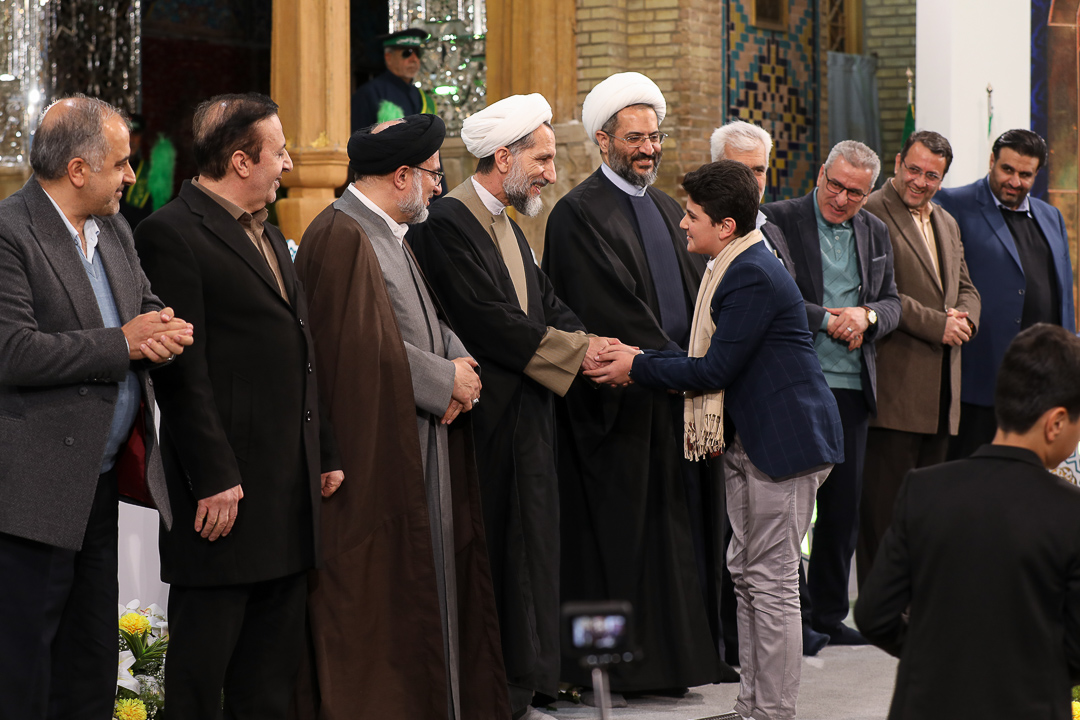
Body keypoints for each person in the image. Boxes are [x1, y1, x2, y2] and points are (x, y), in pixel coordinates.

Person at [590, 160, 843, 720]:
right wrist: (641, 358)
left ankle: (772, 712)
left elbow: (712, 370)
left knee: (771, 582)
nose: (683, 223)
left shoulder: (750, 271)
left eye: (692, 215)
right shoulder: (732, 264)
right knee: (747, 575)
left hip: (784, 444)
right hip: (751, 440)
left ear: (725, 227)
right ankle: (751, 707)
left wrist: (636, 364)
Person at [134, 93, 344, 720]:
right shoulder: (169, 233)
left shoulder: (270, 233)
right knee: (201, 675)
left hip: (286, 489)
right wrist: (214, 476)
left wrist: (324, 450)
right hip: (223, 498)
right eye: (279, 152)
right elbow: (182, 373)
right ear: (241, 161)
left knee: (270, 679)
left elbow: (300, 349)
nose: (289, 164)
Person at [292, 114, 508, 720]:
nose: (440, 187)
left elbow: (426, 321)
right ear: (402, 175)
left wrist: (461, 360)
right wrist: (446, 382)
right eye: (435, 175)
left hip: (422, 435)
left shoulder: (388, 231)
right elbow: (359, 347)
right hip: (379, 458)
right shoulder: (341, 234)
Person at [409, 94, 610, 719]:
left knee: (534, 549)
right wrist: (582, 353)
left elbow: (545, 303)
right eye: (542, 159)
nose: (552, 172)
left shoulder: (508, 223)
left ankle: (533, 681)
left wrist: (591, 343)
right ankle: (501, 689)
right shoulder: (447, 223)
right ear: (504, 158)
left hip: (529, 418)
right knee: (499, 552)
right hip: (487, 422)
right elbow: (488, 322)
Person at [0, 95, 192, 719]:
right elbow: (13, 351)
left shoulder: (114, 229)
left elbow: (142, 306)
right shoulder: (10, 232)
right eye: (121, 164)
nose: (132, 176)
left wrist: (162, 329)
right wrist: (123, 343)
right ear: (78, 169)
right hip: (33, 492)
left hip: (99, 482)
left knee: (91, 657)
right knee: (25, 666)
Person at [542, 72, 727, 694]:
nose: (648, 149)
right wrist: (677, 368)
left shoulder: (672, 209)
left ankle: (683, 661)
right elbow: (610, 313)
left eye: (655, 137)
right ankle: (630, 669)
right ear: (603, 140)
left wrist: (696, 363)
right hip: (622, 409)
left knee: (681, 536)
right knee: (630, 539)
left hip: (676, 397)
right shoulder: (577, 214)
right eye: (635, 139)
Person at [855, 323, 1080, 720]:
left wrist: (931, 652)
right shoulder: (1070, 512)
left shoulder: (923, 490)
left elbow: (873, 614)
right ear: (1056, 422)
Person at [762, 140, 901, 649]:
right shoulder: (778, 219)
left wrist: (866, 316)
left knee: (841, 511)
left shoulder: (876, 230)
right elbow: (772, 294)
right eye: (836, 185)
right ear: (820, 174)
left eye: (855, 193)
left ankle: (828, 614)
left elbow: (893, 303)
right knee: (793, 510)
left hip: (852, 388)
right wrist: (828, 319)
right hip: (798, 383)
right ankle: (793, 616)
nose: (842, 199)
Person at [857, 131, 981, 585]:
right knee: (883, 515)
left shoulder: (946, 221)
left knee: (927, 513)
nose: (920, 181)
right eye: (914, 169)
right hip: (896, 392)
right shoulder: (871, 211)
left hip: (942, 394)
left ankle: (917, 599)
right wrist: (938, 325)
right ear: (897, 163)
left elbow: (966, 286)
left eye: (932, 175)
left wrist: (966, 320)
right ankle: (879, 604)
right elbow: (878, 292)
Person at [935, 129, 1075, 459]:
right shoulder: (953, 204)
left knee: (1028, 479)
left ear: (1036, 174)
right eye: (1007, 169)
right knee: (970, 475)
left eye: (1025, 174)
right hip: (978, 379)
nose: (1014, 181)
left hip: (1040, 382)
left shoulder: (1051, 216)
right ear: (992, 161)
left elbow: (1063, 294)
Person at [711, 119, 794, 274]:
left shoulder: (772, 231)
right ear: (715, 171)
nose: (752, 181)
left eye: (758, 170)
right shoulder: (701, 236)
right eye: (740, 170)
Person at [351, 28, 436, 131]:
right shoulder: (369, 94)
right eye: (407, 53)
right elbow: (357, 137)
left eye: (417, 53)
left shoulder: (419, 95)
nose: (414, 59)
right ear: (388, 57)